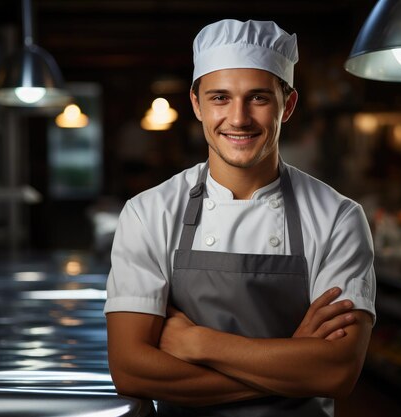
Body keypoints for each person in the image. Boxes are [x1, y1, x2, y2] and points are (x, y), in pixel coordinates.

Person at [104, 19, 376, 417]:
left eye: (259, 98)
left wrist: (199, 344)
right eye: (219, 98)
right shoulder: (149, 213)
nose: (238, 118)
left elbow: (337, 372)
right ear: (196, 104)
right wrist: (293, 365)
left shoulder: (339, 219)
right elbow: (130, 370)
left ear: (289, 104)